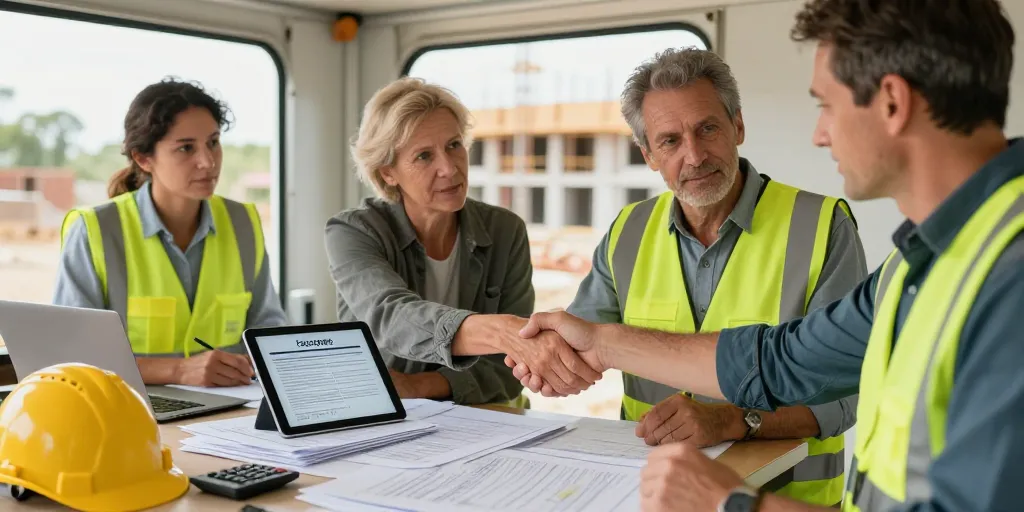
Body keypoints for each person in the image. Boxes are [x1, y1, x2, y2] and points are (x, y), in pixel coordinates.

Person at [509, 0, 1024, 510]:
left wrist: (732, 502)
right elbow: (781, 359)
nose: (820, 134)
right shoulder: (919, 262)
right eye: (669, 141)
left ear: (892, 101)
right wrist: (600, 341)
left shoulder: (1009, 274)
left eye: (827, 105)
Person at [563, 47, 866, 506]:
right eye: (669, 141)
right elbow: (579, 346)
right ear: (647, 154)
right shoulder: (626, 233)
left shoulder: (822, 225)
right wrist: (546, 355)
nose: (695, 155)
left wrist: (732, 419)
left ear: (737, 127)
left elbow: (845, 396)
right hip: (652, 496)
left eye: (707, 128)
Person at [323, 77, 601, 405]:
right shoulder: (353, 232)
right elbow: (391, 316)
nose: (449, 168)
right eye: (424, 156)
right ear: (388, 173)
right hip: (381, 413)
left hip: (480, 414)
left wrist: (419, 386)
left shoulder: (504, 230)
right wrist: (504, 332)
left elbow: (507, 371)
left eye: (454, 145)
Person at [54, 78, 287, 388]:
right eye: (186, 148)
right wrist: (178, 371)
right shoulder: (95, 230)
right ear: (143, 158)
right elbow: (72, 353)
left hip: (234, 412)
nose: (207, 162)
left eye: (213, 142)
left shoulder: (243, 223)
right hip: (129, 409)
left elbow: (268, 333)